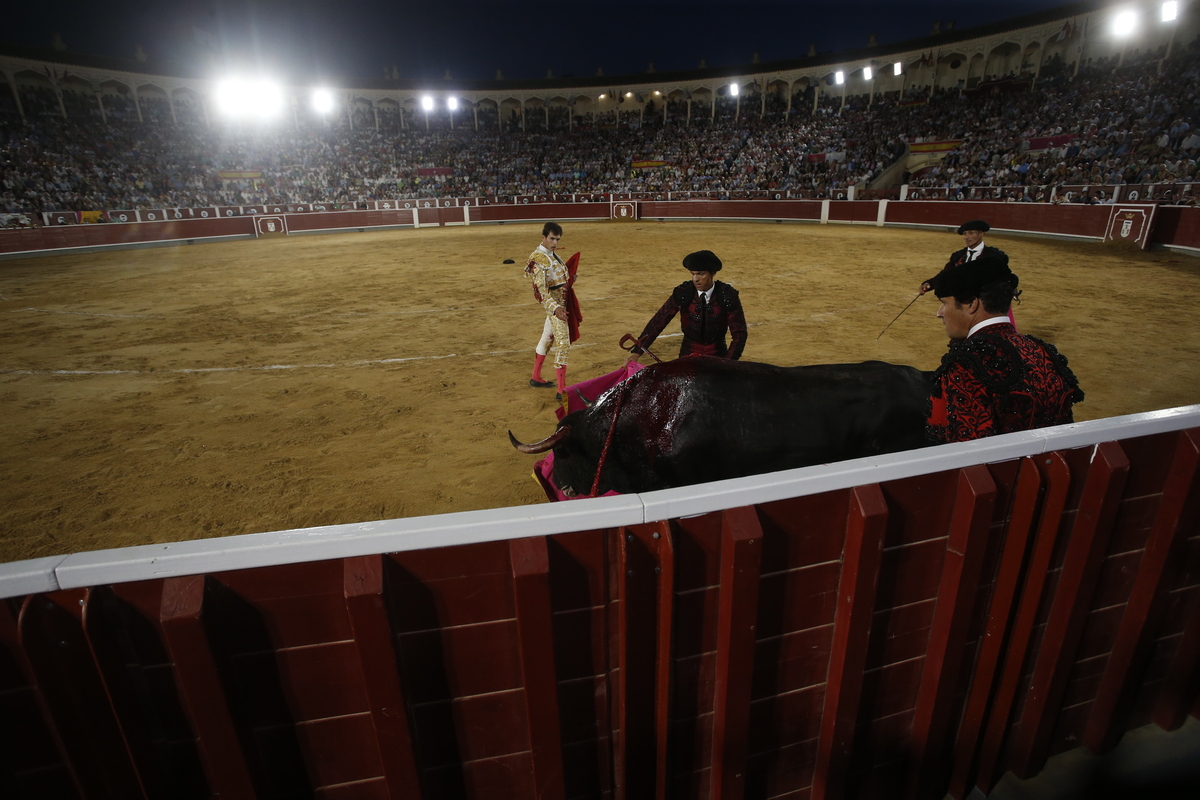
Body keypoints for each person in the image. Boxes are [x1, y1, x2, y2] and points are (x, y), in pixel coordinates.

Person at [926, 252, 1083, 444]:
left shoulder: (967, 362)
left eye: (944, 304)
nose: (939, 313)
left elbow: (970, 451)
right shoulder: (1043, 350)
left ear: (972, 304)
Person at [630, 250, 747, 360]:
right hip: (688, 356)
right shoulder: (684, 292)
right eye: (693, 274)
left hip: (717, 356)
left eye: (701, 274)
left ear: (713, 273)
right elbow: (659, 321)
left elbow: (739, 334)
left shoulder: (727, 295)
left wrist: (728, 362)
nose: (696, 279)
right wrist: (637, 352)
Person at [919, 219, 1017, 329]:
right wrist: (930, 284)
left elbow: (1005, 276)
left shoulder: (994, 256)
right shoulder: (958, 256)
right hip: (965, 302)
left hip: (986, 302)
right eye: (965, 234)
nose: (967, 237)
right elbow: (946, 274)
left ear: (981, 233)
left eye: (971, 233)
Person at [524, 222, 575, 398]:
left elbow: (557, 280)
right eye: (552, 238)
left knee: (547, 338)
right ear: (543, 237)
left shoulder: (552, 255)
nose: (555, 242)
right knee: (563, 344)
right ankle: (561, 390)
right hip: (556, 307)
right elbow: (540, 292)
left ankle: (536, 376)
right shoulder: (539, 258)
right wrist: (556, 309)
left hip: (561, 305)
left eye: (558, 239)